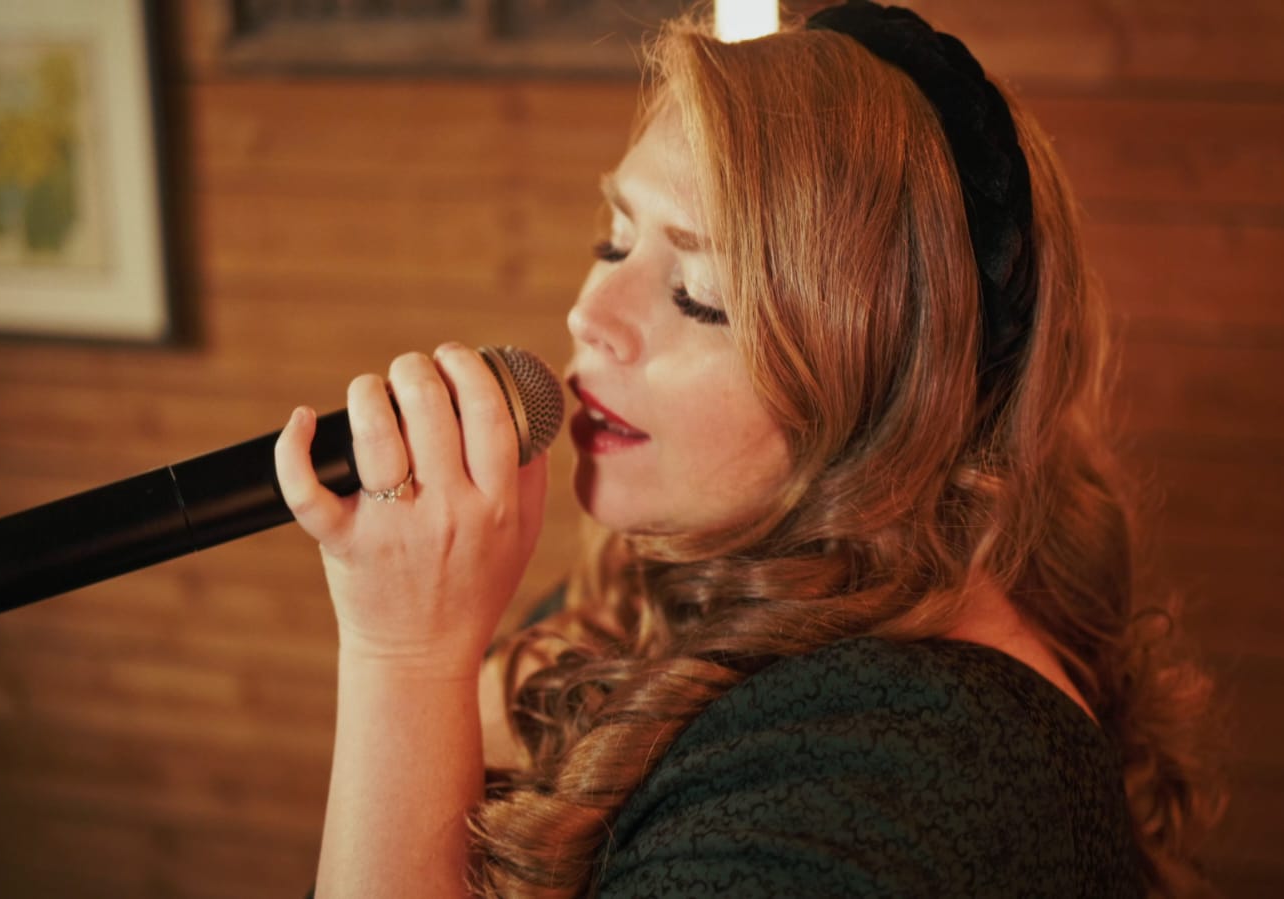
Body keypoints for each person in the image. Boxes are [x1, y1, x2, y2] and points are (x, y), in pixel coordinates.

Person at [273, 2, 1224, 896]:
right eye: (614, 243)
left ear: (890, 388)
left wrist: (407, 654)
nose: (589, 315)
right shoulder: (661, 579)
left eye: (701, 295)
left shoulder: (902, 768)